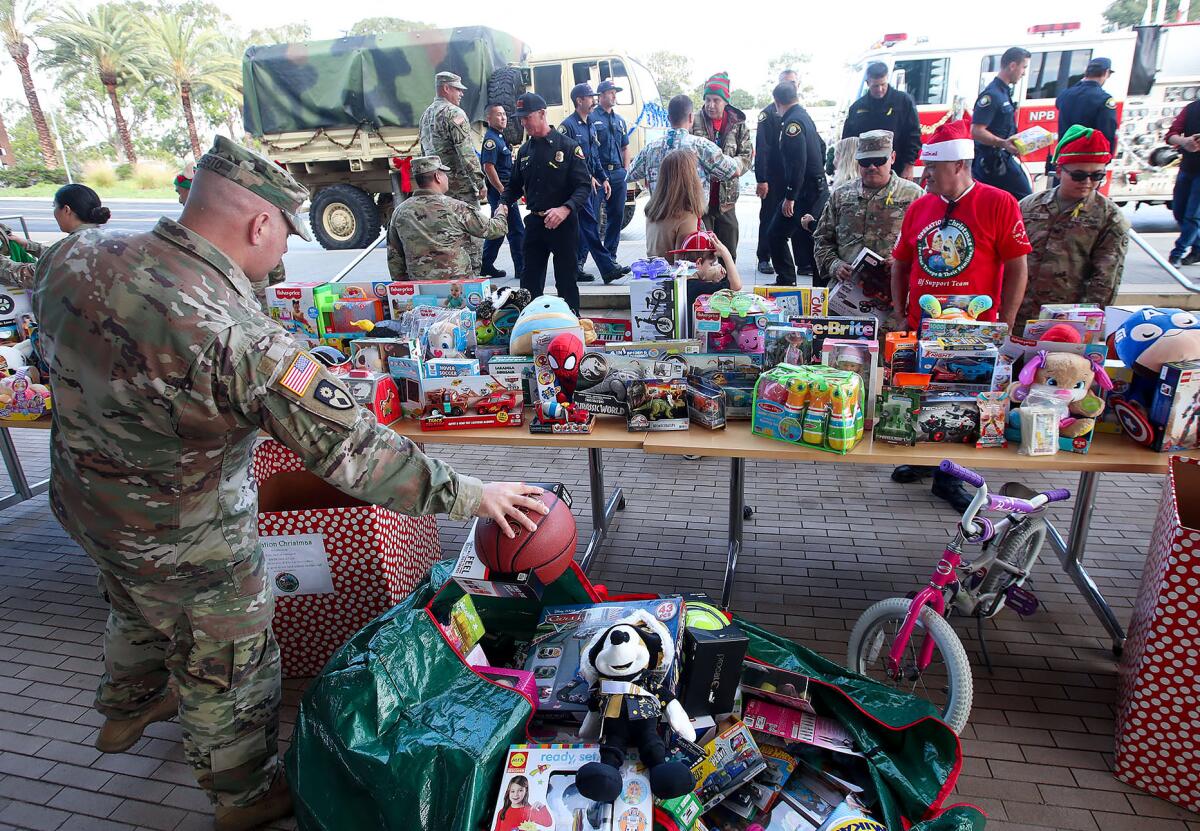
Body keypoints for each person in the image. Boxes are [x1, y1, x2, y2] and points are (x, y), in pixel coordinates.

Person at [30, 135, 544, 831]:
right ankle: (243, 797)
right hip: (190, 537)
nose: (279, 259)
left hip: (86, 505)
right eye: (283, 239)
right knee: (229, 662)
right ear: (258, 222)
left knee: (131, 598)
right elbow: (355, 451)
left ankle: (125, 707)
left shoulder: (75, 255)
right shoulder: (239, 338)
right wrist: (472, 493)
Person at [890, 118, 1031, 511]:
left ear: (958, 166)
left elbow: (1018, 265)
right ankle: (926, 460)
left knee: (962, 398)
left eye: (932, 169)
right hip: (923, 325)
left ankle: (949, 477)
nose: (925, 175)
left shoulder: (999, 203)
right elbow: (900, 262)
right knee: (922, 392)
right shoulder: (919, 207)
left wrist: (1009, 318)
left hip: (974, 332)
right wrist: (902, 311)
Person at [1017, 127, 1129, 331]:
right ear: (1059, 170)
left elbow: (1104, 282)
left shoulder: (1110, 218)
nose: (1087, 183)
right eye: (1078, 175)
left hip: (1067, 323)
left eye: (1097, 176)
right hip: (1018, 315)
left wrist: (1085, 327)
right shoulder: (1028, 206)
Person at [813, 130, 923, 326]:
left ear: (892, 157)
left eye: (879, 160)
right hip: (845, 303)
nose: (872, 167)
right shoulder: (841, 195)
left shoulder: (914, 196)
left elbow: (928, 248)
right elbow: (822, 239)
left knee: (892, 355)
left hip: (894, 305)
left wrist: (903, 261)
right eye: (865, 162)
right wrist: (835, 265)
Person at [503, 93, 593, 314]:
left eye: (527, 117)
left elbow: (583, 186)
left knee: (566, 281)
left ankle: (571, 324)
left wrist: (565, 208)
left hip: (563, 224)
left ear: (542, 114)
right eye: (521, 118)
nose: (524, 123)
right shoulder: (524, 152)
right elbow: (514, 185)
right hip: (535, 222)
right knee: (529, 281)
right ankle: (529, 323)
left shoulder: (568, 147)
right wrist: (504, 203)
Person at [176, 166, 284, 311]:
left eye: (179, 192)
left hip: (248, 279)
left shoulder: (207, 221)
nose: (179, 199)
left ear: (192, 189)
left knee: (261, 308)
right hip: (242, 286)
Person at [387, 155, 509, 281]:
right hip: (458, 286)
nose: (447, 178)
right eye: (444, 174)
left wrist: (404, 286)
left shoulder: (400, 212)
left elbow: (394, 258)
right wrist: (500, 213)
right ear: (437, 177)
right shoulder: (456, 208)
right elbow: (495, 230)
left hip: (420, 287)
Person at [559, 82, 626, 284]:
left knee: (588, 226)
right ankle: (605, 268)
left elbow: (594, 156)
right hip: (576, 186)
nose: (594, 100)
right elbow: (567, 160)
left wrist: (603, 177)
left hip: (590, 184)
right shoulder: (568, 126)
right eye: (590, 97)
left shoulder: (588, 124)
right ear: (580, 100)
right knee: (588, 226)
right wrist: (588, 177)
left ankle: (596, 268)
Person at [420, 70, 486, 270]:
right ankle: (473, 278)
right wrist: (480, 182)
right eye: (457, 89)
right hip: (460, 187)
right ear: (446, 88)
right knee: (472, 236)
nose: (461, 94)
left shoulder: (426, 115)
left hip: (437, 187)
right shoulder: (454, 113)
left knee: (445, 235)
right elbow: (466, 153)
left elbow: (424, 152)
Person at [765, 82, 829, 287]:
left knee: (776, 234)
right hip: (815, 187)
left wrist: (791, 196)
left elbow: (797, 163)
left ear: (777, 102)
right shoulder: (804, 116)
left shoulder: (792, 124)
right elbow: (822, 146)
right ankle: (818, 288)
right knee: (813, 236)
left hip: (803, 192)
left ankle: (787, 280)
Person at [628, 94, 741, 201]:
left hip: (658, 219)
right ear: (691, 117)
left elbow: (630, 175)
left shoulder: (650, 149)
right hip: (689, 219)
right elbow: (733, 171)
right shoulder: (701, 146)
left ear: (668, 118)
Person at [0, 183, 112, 289]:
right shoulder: (106, 237)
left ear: (66, 210)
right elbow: (59, 257)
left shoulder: (72, 247)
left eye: (55, 206)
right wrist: (28, 245)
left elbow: (28, 276)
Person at [690, 71, 752, 254]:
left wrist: (732, 167)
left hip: (727, 200)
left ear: (726, 101)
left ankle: (729, 281)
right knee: (704, 250)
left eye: (716, 100)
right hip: (702, 199)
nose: (710, 105)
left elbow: (747, 156)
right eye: (707, 99)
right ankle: (707, 283)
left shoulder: (738, 124)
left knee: (728, 247)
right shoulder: (694, 121)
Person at [840, 62, 922, 179]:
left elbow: (913, 135)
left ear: (887, 79)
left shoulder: (903, 102)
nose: (880, 89)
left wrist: (909, 166)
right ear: (868, 83)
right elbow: (848, 140)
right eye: (875, 86)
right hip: (867, 169)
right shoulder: (857, 107)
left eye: (883, 84)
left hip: (897, 168)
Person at [972, 47, 1033, 200]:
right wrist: (1003, 143)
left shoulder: (1004, 92)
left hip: (1002, 158)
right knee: (1025, 198)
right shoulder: (992, 95)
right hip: (991, 161)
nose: (1024, 73)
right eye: (1023, 67)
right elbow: (977, 131)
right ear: (1012, 66)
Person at [755, 69, 799, 275]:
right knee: (768, 217)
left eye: (793, 83)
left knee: (793, 217)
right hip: (772, 177)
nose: (789, 87)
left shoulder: (798, 113)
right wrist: (762, 179)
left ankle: (800, 260)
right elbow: (762, 147)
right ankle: (764, 257)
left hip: (791, 177)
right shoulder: (767, 113)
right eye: (785, 83)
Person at [480, 104, 525, 281]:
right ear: (489, 119)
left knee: (498, 229)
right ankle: (521, 268)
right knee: (516, 230)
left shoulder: (499, 137)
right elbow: (488, 167)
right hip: (501, 191)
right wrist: (501, 191)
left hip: (505, 190)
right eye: (498, 115)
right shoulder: (491, 140)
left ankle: (486, 264)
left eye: (504, 114)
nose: (503, 118)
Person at [591, 79, 631, 260]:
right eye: (610, 92)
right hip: (599, 174)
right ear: (601, 96)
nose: (614, 95)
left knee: (616, 216)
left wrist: (626, 170)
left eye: (615, 92)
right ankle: (582, 260)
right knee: (592, 218)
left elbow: (625, 147)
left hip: (617, 173)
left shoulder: (619, 120)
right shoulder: (591, 118)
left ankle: (610, 258)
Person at [644, 149, 706, 260]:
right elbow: (684, 268)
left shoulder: (653, 210)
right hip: (673, 275)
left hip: (654, 274)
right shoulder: (686, 216)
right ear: (689, 178)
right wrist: (712, 272)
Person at [1055, 58, 1118, 161]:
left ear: (1086, 73)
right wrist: (1106, 159)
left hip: (1064, 158)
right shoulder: (1104, 99)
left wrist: (1081, 83)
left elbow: (1058, 104)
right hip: (1088, 162)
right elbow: (1107, 132)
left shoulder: (1065, 95)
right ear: (1106, 73)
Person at [1166, 96, 1200, 267]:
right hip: (1187, 167)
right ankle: (1198, 247)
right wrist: (1184, 142)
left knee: (1193, 216)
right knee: (1179, 211)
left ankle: (1177, 253)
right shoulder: (1192, 108)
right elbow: (1171, 134)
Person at [671, 229, 743, 307]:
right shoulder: (698, 287)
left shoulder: (684, 282)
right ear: (698, 262)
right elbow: (736, 286)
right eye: (712, 264)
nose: (716, 267)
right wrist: (726, 254)